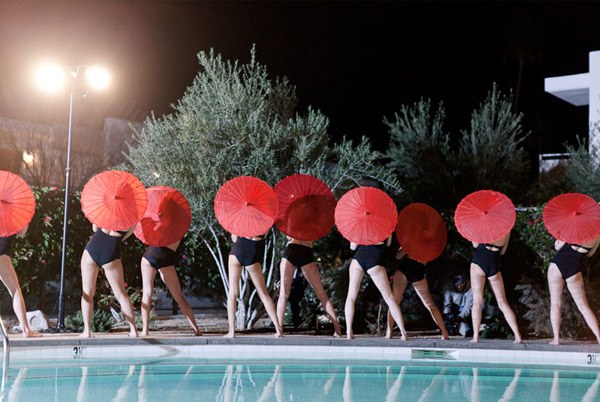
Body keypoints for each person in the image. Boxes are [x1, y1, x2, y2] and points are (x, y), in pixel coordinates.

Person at [80, 224, 138, 338]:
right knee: (121, 294)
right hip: (111, 250)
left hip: (93, 248)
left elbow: (94, 228)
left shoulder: (104, 210)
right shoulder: (130, 219)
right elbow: (125, 237)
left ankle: (87, 331)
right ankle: (133, 330)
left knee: (87, 292)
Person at [345, 235, 408, 340]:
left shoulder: (360, 227)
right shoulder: (384, 227)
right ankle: (403, 332)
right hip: (375, 259)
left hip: (359, 258)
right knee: (389, 298)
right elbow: (388, 244)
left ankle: (348, 331)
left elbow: (352, 247)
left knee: (351, 297)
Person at [276, 237, 341, 337]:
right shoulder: (313, 222)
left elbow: (288, 237)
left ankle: (279, 330)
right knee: (322, 295)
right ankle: (337, 329)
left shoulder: (293, 220)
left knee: (283, 295)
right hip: (306, 250)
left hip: (292, 249)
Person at [224, 233, 282, 338]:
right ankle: (278, 330)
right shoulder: (264, 223)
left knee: (232, 293)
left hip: (237, 250)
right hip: (252, 253)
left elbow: (234, 238)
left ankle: (231, 331)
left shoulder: (241, 221)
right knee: (264, 294)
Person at [386, 245, 449, 339]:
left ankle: (444, 332)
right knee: (394, 301)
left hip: (417, 268)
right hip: (407, 267)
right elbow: (398, 256)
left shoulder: (426, 240)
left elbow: (431, 256)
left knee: (429, 303)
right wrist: (405, 247)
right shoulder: (410, 239)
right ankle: (389, 331)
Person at [140, 240, 201, 336]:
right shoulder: (177, 229)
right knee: (178, 297)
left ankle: (145, 330)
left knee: (147, 293)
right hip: (164, 257)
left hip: (151, 255)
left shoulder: (158, 226)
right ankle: (196, 329)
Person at [469, 232, 522, 343]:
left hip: (480, 260)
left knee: (477, 301)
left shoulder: (485, 224)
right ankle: (517, 336)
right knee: (503, 302)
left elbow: (475, 245)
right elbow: (503, 251)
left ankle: (475, 337)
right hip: (494, 262)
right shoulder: (506, 229)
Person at [547, 237, 600, 345]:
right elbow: (590, 254)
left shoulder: (572, 231)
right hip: (574, 269)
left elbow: (557, 246)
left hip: (557, 266)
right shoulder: (596, 236)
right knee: (584, 306)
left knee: (555, 303)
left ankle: (556, 339)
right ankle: (599, 337)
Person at [0, 224, 41, 337]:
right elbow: (22, 234)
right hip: (2, 251)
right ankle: (26, 330)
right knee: (15, 290)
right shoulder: (14, 211)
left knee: (15, 290)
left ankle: (26, 329)